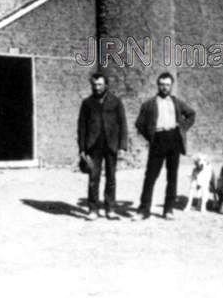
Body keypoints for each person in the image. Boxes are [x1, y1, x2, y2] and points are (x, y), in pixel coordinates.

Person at [133, 72, 196, 220]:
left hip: (173, 139)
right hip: (158, 140)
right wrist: (151, 136)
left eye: (167, 85)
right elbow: (139, 124)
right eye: (162, 84)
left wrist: (182, 127)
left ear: (171, 86)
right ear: (158, 85)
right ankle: (143, 210)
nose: (164, 87)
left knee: (172, 177)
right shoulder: (149, 104)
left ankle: (168, 210)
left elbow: (191, 114)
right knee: (150, 176)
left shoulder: (177, 102)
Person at [77, 73, 128, 220]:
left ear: (106, 85)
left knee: (111, 178)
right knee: (94, 177)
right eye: (94, 84)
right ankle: (93, 210)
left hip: (111, 144)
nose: (97, 87)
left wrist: (122, 146)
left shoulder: (116, 102)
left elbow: (123, 124)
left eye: (99, 84)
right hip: (93, 146)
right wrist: (81, 148)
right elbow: (81, 127)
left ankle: (110, 209)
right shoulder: (87, 103)